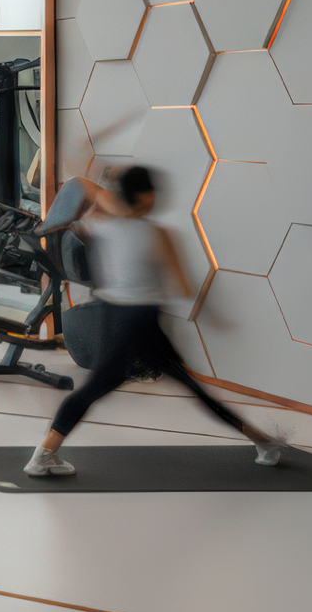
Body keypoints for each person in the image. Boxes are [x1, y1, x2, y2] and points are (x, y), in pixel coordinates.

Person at [27, 165, 286, 476]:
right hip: (140, 319)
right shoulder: (157, 233)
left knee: (105, 385)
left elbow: (83, 185)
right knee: (107, 387)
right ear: (147, 196)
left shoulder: (100, 222)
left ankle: (264, 442)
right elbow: (183, 286)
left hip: (111, 314)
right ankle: (43, 455)